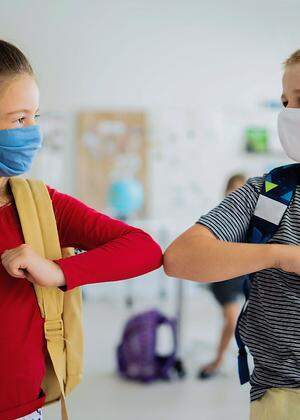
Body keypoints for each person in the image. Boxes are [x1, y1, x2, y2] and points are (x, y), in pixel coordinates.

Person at [0, 40, 162, 420]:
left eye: (35, 116)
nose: (33, 132)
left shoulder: (39, 205)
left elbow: (144, 249)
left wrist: (58, 272)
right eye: (19, 119)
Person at [164, 49, 300, 420]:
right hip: (283, 394)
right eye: (285, 102)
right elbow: (180, 257)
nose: (288, 114)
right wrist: (282, 256)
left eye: (299, 100)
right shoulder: (268, 192)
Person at [198, 174, 247, 380]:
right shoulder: (220, 217)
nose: (237, 193)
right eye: (233, 189)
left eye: (242, 189)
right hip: (224, 277)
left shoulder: (258, 216)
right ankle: (217, 361)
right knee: (231, 320)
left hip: (245, 275)